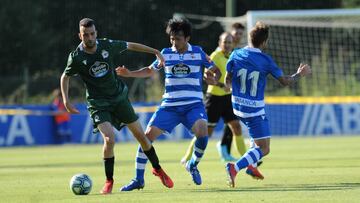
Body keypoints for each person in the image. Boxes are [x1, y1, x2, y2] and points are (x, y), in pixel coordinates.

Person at [60, 18, 173, 194]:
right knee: (109, 139)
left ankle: (158, 169)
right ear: (79, 35)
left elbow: (130, 46)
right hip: (98, 103)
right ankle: (109, 181)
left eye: (92, 34)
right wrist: (66, 101)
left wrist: (155, 51)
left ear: (96, 33)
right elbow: (65, 77)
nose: (89, 38)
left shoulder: (107, 46)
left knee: (142, 138)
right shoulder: (76, 57)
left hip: (118, 98)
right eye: (85, 35)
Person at [116, 18, 221, 190]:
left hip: (193, 105)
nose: (174, 41)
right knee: (146, 138)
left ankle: (192, 164)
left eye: (178, 38)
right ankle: (138, 179)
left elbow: (216, 69)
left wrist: (213, 78)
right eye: (171, 38)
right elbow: (150, 70)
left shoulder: (198, 52)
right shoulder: (165, 53)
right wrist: (129, 73)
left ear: (187, 38)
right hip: (170, 106)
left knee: (203, 132)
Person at [225, 22, 311, 187]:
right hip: (253, 110)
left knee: (255, 139)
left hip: (237, 106)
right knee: (264, 148)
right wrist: (299, 74)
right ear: (264, 42)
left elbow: (228, 78)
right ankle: (234, 167)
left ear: (249, 38)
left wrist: (230, 88)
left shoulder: (235, 54)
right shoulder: (265, 60)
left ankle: (252, 165)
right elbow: (285, 81)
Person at [180, 32, 250, 170]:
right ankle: (187, 157)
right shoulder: (214, 56)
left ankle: (248, 161)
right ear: (220, 43)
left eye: (230, 42)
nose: (228, 44)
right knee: (206, 133)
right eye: (225, 42)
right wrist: (221, 85)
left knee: (236, 127)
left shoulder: (233, 56)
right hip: (214, 99)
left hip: (228, 98)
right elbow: (208, 78)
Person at [219, 22, 246, 160]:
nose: (238, 36)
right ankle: (224, 149)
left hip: (232, 92)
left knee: (233, 123)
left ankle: (225, 151)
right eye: (236, 33)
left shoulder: (239, 50)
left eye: (241, 34)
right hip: (220, 93)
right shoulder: (224, 48)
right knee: (231, 123)